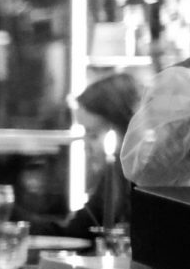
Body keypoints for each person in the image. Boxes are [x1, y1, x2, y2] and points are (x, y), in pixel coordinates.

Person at [47, 71, 144, 239]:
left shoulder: (146, 183)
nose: (85, 145)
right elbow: (75, 230)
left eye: (93, 135)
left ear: (123, 129)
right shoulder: (113, 179)